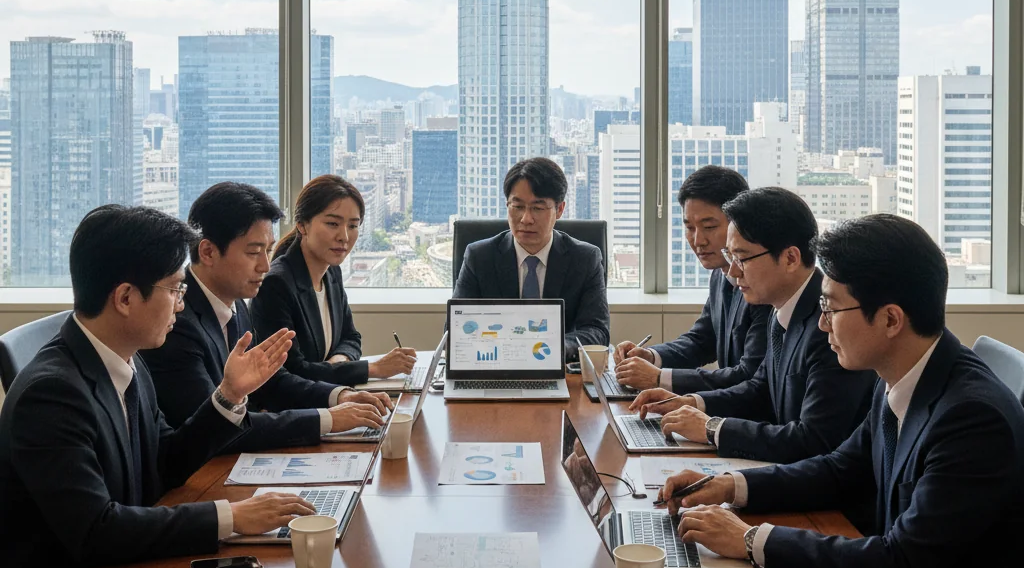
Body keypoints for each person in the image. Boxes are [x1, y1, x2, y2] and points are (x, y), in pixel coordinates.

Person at [657, 213, 1024, 568]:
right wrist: (733, 487)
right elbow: (841, 468)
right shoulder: (903, 373)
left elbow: (903, 565)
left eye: (832, 309)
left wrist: (751, 540)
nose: (822, 324)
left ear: (891, 318)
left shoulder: (971, 418)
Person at [0, 205, 317, 568]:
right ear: (126, 298)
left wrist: (228, 396)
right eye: (175, 289)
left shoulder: (126, 360)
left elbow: (163, 461)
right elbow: (97, 532)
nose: (181, 306)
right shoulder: (52, 394)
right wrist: (231, 516)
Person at [630, 187, 874, 463]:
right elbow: (760, 388)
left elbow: (814, 439)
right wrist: (692, 403)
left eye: (742, 259)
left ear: (790, 258)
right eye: (731, 257)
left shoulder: (831, 325)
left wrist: (713, 429)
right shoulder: (782, 307)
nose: (732, 272)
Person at [142, 182, 392, 448]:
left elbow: (269, 382)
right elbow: (216, 428)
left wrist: (339, 396)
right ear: (208, 252)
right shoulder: (176, 323)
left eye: (268, 250)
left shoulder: (236, 305)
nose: (264, 265)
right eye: (253, 252)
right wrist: (326, 419)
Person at [614, 166, 770, 392]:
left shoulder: (762, 285)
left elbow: (749, 375)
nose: (698, 240)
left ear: (739, 223)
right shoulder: (720, 272)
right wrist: (651, 356)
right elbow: (702, 340)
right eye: (689, 227)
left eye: (709, 227)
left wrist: (659, 378)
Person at [251, 175, 418, 385]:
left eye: (353, 226)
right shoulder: (277, 285)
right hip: (295, 410)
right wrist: (374, 369)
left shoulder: (331, 273)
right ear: (302, 225)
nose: (344, 237)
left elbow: (351, 338)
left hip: (329, 396)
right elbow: (292, 372)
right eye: (333, 224)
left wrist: (339, 362)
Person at [452, 157, 610, 361]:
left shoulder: (585, 259)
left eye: (537, 208)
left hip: (560, 371)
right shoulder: (479, 257)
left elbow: (597, 331)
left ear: (559, 209)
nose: (526, 219)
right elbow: (456, 328)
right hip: (495, 367)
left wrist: (547, 349)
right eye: (517, 207)